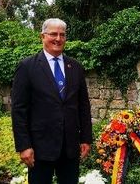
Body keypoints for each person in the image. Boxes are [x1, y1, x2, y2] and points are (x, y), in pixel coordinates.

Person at [11, 18, 92, 184]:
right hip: (40, 148)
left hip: (70, 147)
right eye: (53, 34)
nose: (58, 38)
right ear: (42, 36)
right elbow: (19, 109)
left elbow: (83, 105)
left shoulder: (75, 66)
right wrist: (23, 146)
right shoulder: (27, 67)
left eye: (62, 35)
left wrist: (85, 138)